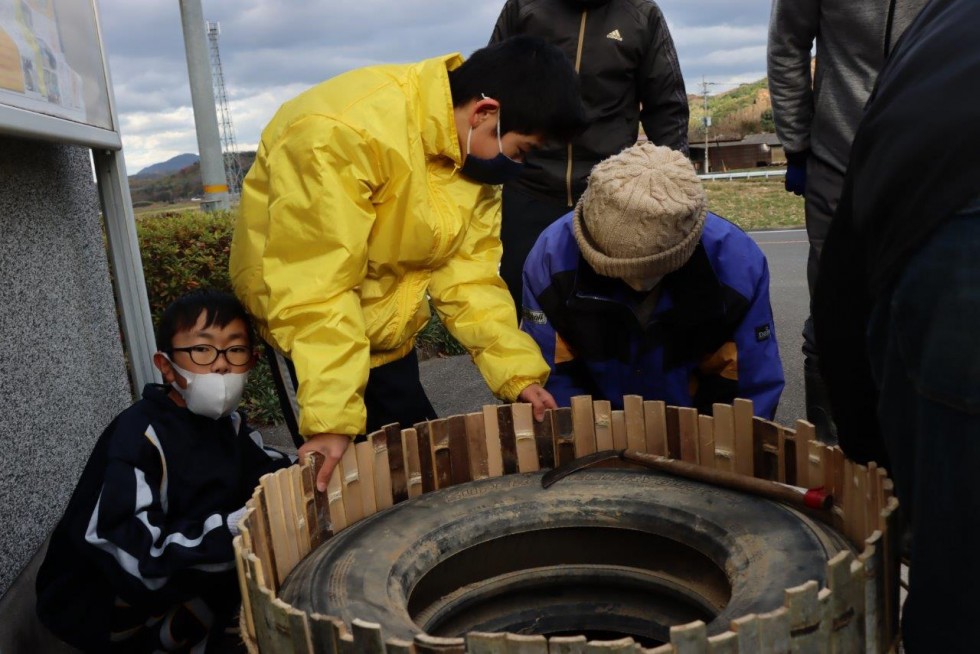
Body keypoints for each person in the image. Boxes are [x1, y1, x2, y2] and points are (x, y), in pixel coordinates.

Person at [230, 36, 588, 492]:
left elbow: (471, 278)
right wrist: (332, 418)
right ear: (485, 113)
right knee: (349, 486)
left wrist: (519, 375)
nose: (514, 166)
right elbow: (315, 287)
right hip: (314, 330)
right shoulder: (340, 132)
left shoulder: (470, 156)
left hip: (387, 325)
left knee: (418, 470)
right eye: (519, 152)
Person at [813, 2, 980, 650]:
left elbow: (839, 301)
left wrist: (885, 470)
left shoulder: (931, 33)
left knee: (961, 582)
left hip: (949, 257)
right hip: (952, 243)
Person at [35, 290, 293, 652]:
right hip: (104, 612)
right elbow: (135, 560)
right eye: (202, 350)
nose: (221, 365)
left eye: (234, 350)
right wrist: (238, 526)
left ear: (250, 361)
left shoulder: (228, 426)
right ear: (167, 366)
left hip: (175, 586)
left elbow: (272, 469)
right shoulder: (139, 436)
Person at [521, 143, 784, 418]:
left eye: (651, 271)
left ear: (684, 248)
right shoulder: (551, 259)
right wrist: (582, 441)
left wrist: (722, 447)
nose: (636, 285)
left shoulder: (736, 265)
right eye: (621, 272)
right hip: (594, 429)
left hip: (694, 431)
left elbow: (749, 381)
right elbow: (552, 369)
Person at [767, 0, 929, 441]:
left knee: (930, 307)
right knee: (834, 311)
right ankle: (832, 446)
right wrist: (798, 144)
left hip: (934, 157)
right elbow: (787, 44)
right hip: (838, 160)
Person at [488, 0, 689, 319]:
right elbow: (491, 87)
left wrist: (679, 186)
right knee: (526, 310)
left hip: (608, 195)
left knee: (608, 312)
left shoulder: (640, 14)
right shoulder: (524, 8)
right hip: (528, 189)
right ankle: (530, 371)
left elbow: (666, 106)